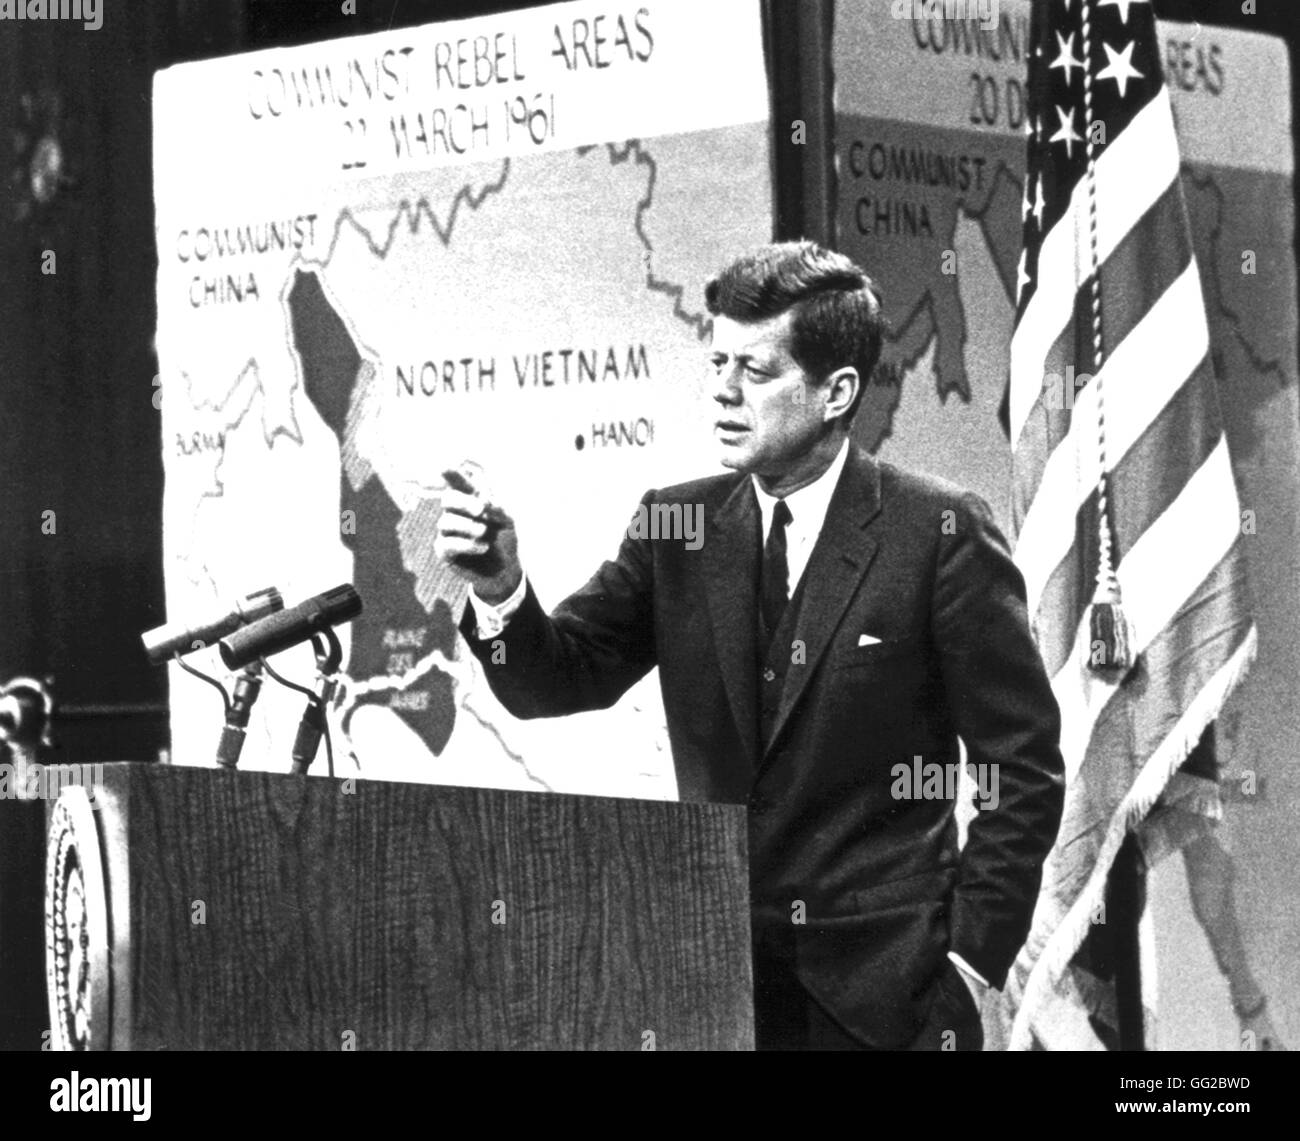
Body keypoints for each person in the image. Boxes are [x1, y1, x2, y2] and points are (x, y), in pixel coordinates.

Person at [434, 240, 1065, 1050]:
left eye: (755, 372)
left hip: (891, 1001)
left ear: (838, 391)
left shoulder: (939, 533)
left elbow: (1022, 769)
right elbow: (555, 681)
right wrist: (499, 589)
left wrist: (970, 968)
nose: (723, 394)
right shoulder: (678, 525)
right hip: (710, 992)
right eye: (716, 363)